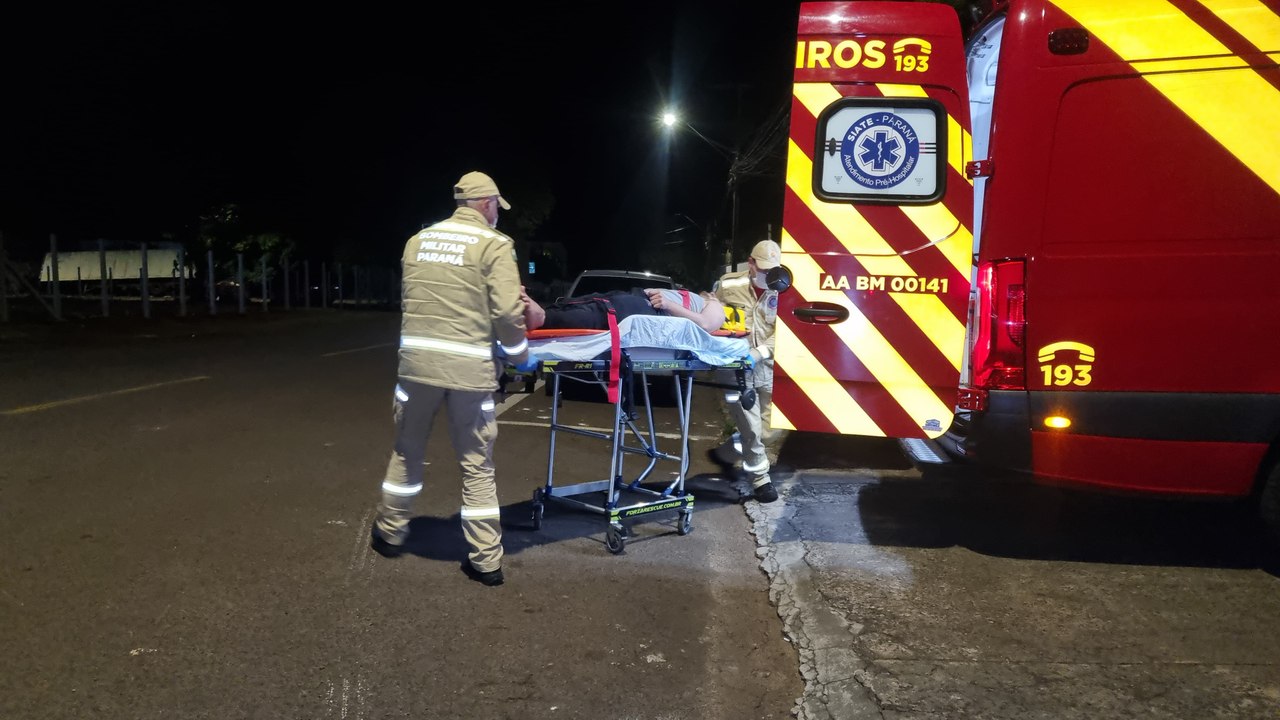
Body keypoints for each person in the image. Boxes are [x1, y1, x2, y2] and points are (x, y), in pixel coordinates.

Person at [371, 170, 530, 587]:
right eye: (498, 206)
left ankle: (390, 533)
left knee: (406, 451)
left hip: (417, 369)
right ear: (487, 204)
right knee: (477, 466)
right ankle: (486, 561)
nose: (499, 213)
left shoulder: (417, 241)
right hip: (469, 373)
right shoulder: (495, 245)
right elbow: (508, 314)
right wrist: (521, 355)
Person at [723, 239, 782, 503]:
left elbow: (787, 330)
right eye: (764, 270)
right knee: (751, 425)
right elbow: (713, 315)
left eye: (773, 271)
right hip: (736, 368)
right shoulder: (728, 284)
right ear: (751, 263)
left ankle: (741, 452)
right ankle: (761, 479)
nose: (769, 276)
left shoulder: (783, 287)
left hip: (768, 365)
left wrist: (759, 353)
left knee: (775, 424)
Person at [521, 286, 728, 333]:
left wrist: (668, 303)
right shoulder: (699, 300)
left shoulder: (716, 306)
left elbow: (706, 324)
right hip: (637, 300)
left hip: (649, 310)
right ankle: (541, 313)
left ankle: (542, 317)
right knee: (593, 305)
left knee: (598, 314)